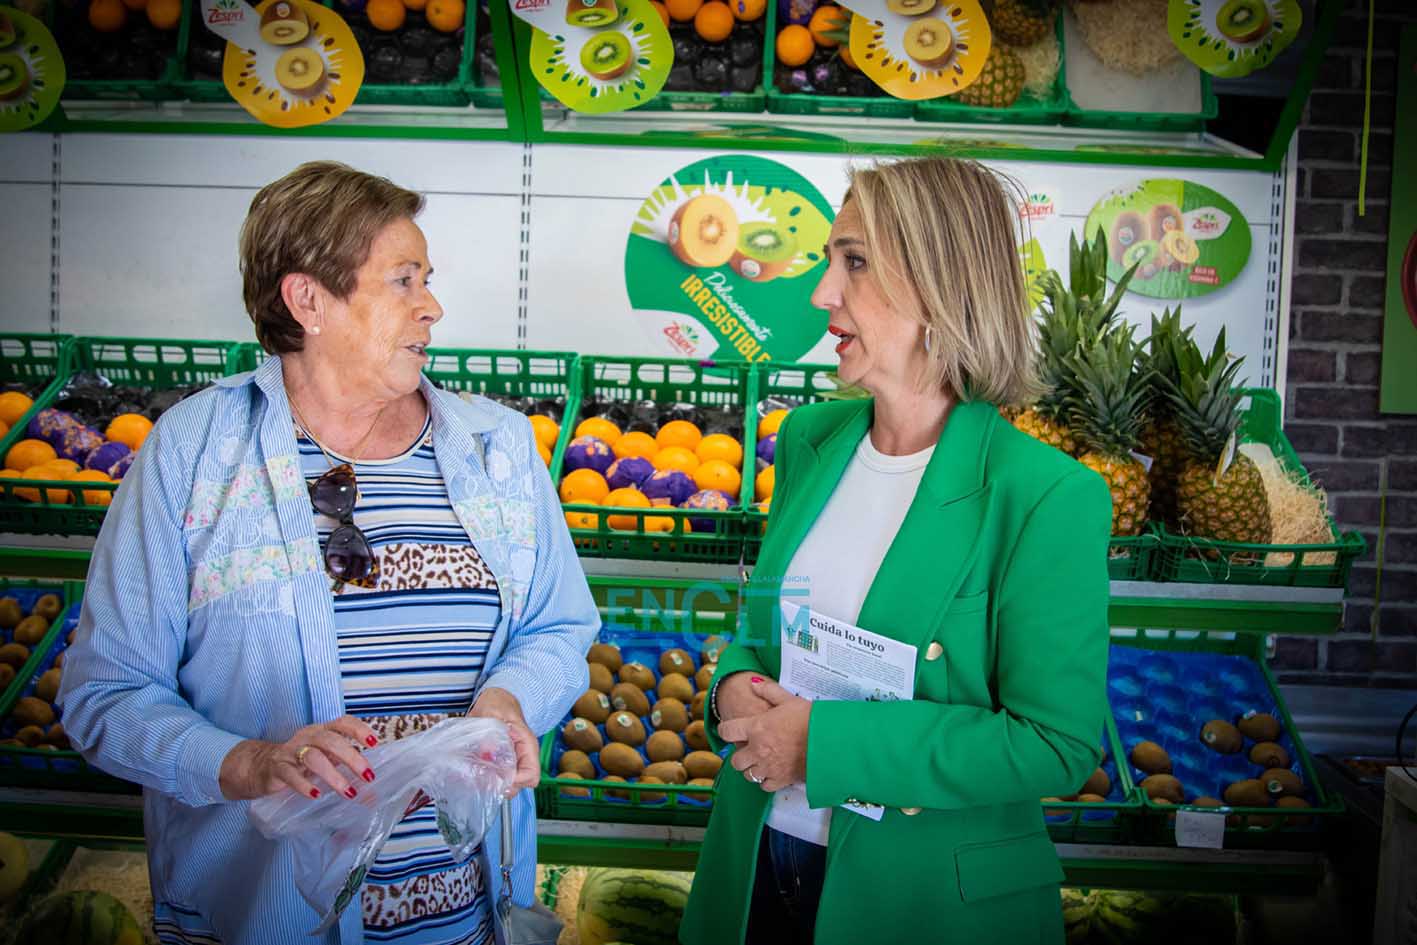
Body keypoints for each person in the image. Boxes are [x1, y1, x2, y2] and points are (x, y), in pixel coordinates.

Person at [59, 161, 599, 945]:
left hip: (466, 919)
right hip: (263, 921)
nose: (432, 306)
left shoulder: (499, 449)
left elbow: (558, 626)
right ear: (307, 300)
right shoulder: (195, 453)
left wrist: (512, 697)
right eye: (403, 280)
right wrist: (248, 762)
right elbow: (105, 695)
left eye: (427, 280)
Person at [681, 158, 1113, 945]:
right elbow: (766, 630)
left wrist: (824, 746)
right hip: (756, 859)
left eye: (853, 261)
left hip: (921, 897)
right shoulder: (809, 440)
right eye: (828, 260)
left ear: (939, 284)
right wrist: (733, 685)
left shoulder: (1045, 495)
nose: (821, 293)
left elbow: (1055, 743)